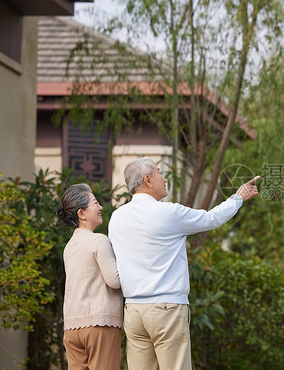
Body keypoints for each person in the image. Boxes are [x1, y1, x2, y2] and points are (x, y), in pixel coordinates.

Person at [108, 157, 259, 370]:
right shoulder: (168, 212)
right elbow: (211, 219)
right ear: (148, 180)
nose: (164, 178)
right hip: (166, 308)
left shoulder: (116, 217)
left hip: (133, 310)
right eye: (159, 172)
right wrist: (238, 197)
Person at [56, 183, 122, 370]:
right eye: (95, 203)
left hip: (71, 327)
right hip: (100, 323)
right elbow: (115, 280)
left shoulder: (69, 247)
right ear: (82, 214)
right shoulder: (98, 240)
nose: (100, 207)